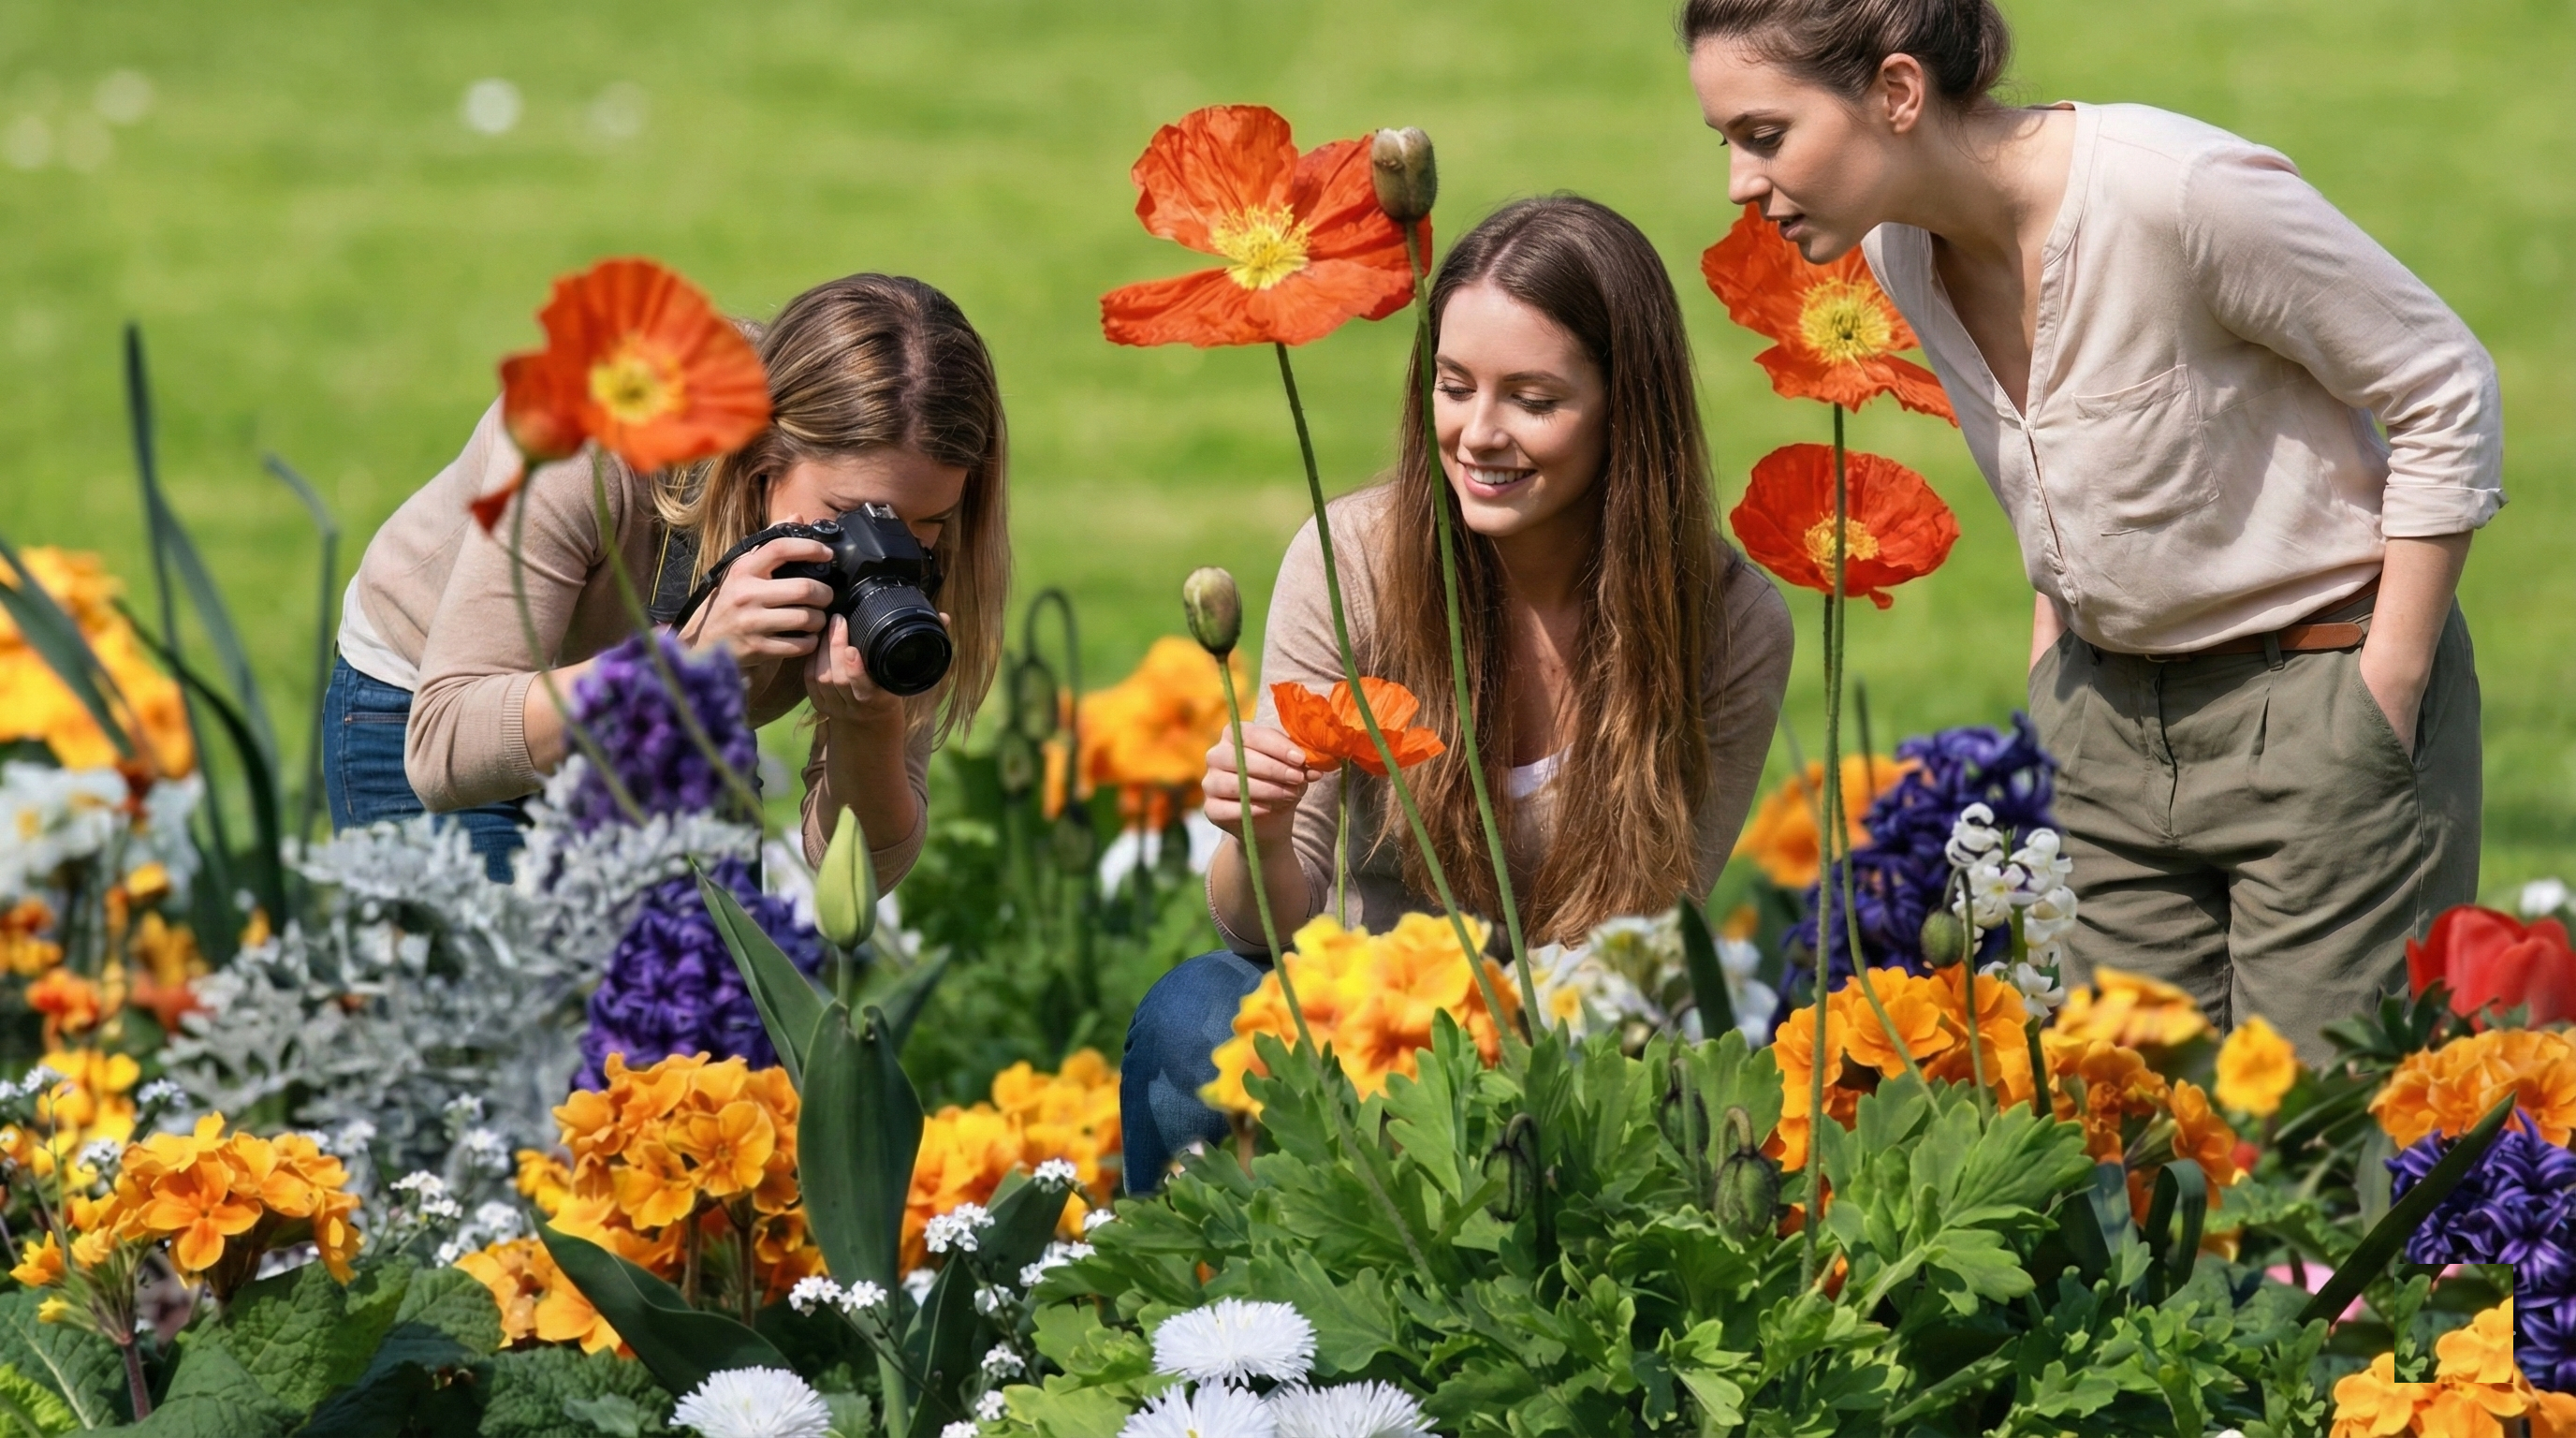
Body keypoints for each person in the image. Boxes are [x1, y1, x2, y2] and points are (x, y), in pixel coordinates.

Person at [1682, 0, 2500, 1059]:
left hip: (2315, 700)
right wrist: (2054, 681)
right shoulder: (1899, 249)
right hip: (2100, 731)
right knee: (2130, 1131)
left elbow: (2444, 383)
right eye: (1728, 141)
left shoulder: (2178, 193)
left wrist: (2383, 686)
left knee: (2313, 1141)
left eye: (1764, 135)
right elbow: (2066, 463)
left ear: (1896, 92)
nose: (1740, 183)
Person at [1120, 196, 1797, 1190]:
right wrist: (1259, 831)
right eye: (1453, 387)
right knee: (1194, 1015)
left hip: (1573, 1063)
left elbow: (1645, 949)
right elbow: (1259, 934)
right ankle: (1197, 1283)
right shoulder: (1351, 561)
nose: (1478, 434)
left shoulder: (1728, 625)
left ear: (1628, 409)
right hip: (1361, 1030)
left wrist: (1493, 1075)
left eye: (1532, 399)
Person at [324, 272, 1009, 885]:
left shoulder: (918, 535)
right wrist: (684, 665)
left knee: (700, 989)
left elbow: (855, 874)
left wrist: (870, 727)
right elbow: (447, 747)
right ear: (765, 456)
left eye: (927, 523)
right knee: (507, 988)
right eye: (846, 514)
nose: (886, 546)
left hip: (660, 718)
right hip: (432, 697)